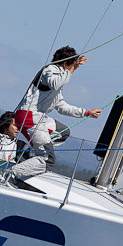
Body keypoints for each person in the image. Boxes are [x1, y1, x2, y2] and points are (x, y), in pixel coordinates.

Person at [13, 46, 101, 179]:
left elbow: (61, 106)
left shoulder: (57, 83)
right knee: (48, 159)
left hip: (37, 117)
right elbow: (55, 83)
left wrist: (86, 112)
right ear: (65, 64)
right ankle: (8, 174)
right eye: (70, 67)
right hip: (29, 116)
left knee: (63, 132)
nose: (70, 72)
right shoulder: (50, 70)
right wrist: (72, 69)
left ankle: (28, 157)